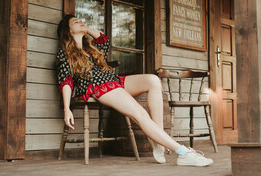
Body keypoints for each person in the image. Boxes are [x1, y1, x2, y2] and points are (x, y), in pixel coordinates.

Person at [56, 14, 213, 167]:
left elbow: (104, 40)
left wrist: (84, 28)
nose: (81, 21)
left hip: (114, 81)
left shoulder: (90, 48)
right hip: (99, 87)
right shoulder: (65, 54)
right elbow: (66, 82)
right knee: (140, 113)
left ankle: (158, 141)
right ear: (68, 31)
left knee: (153, 80)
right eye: (76, 22)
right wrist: (67, 108)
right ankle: (183, 153)